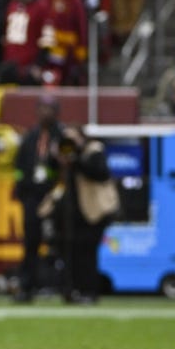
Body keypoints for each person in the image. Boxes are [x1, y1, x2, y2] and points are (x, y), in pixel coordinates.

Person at [37, 126, 118, 303]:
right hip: (71, 214)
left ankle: (89, 291)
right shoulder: (64, 156)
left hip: (93, 212)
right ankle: (72, 290)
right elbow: (50, 174)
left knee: (87, 254)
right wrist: (55, 155)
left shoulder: (94, 151)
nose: (69, 145)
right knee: (70, 253)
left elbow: (100, 174)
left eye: (73, 140)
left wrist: (76, 159)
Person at [13, 95, 65, 302]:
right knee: (31, 242)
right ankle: (27, 287)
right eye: (42, 108)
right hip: (32, 196)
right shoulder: (31, 136)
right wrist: (23, 191)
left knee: (59, 242)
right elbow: (20, 166)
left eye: (50, 108)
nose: (46, 112)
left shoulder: (61, 135)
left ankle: (62, 286)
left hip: (54, 196)